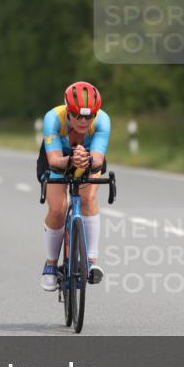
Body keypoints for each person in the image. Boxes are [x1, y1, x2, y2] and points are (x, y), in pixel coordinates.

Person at [36, 81, 111, 292]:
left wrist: (85, 160)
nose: (83, 121)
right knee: (58, 209)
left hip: (88, 159)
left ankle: (91, 260)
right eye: (77, 115)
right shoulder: (53, 118)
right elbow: (53, 160)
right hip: (58, 159)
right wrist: (71, 160)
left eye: (89, 116)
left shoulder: (103, 121)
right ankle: (50, 265)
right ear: (68, 112)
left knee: (88, 199)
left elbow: (97, 160)